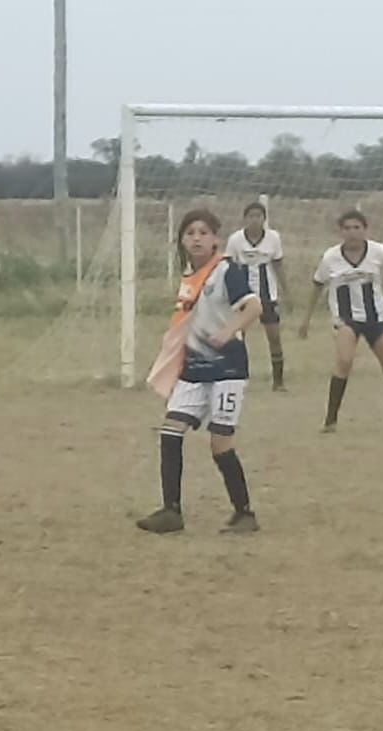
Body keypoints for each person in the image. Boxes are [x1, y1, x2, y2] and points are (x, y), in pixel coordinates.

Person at [138, 209, 262, 535]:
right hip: (193, 371)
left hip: (227, 370)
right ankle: (171, 511)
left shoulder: (225, 271)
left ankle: (244, 513)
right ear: (181, 240)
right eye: (190, 232)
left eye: (203, 232)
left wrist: (229, 331)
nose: (196, 238)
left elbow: (255, 307)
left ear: (216, 239)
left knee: (220, 444)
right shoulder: (188, 278)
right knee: (170, 432)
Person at [298, 210, 383, 432]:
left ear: (365, 230)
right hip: (346, 319)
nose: (352, 233)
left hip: (376, 318)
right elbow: (317, 286)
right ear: (340, 232)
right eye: (347, 228)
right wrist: (305, 319)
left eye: (357, 228)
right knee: (344, 360)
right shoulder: (330, 257)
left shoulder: (379, 252)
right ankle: (330, 421)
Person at [224, 202, 288, 391]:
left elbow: (278, 265)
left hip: (267, 294)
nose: (254, 220)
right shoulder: (235, 239)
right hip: (243, 295)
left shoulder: (273, 238)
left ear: (264, 219)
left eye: (258, 216)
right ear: (245, 219)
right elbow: (228, 266)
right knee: (238, 336)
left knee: (274, 336)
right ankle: (236, 377)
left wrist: (286, 291)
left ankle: (278, 381)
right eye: (250, 216)